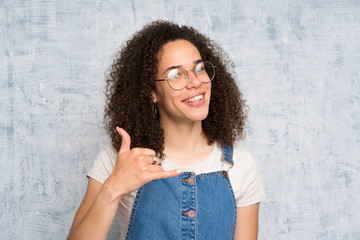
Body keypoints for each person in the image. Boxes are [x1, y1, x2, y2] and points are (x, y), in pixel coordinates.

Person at [68, 20, 266, 240]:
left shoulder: (240, 164)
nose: (195, 82)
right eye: (175, 74)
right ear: (151, 92)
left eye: (199, 68)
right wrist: (113, 188)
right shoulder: (118, 159)